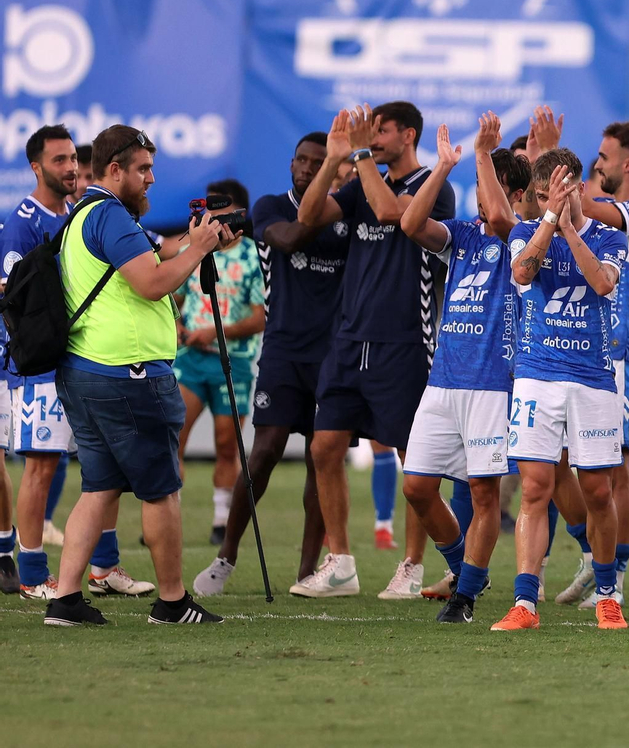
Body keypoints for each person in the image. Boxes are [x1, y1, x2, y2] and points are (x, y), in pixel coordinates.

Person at [46, 125, 227, 626]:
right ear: (114, 170)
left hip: (85, 370)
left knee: (98, 487)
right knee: (160, 488)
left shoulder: (86, 213)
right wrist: (199, 250)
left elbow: (154, 256)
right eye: (142, 169)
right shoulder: (112, 215)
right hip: (127, 375)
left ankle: (64, 600)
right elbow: (151, 283)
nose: (151, 178)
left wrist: (196, 241)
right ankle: (171, 602)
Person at [289, 102, 456, 599]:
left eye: (381, 130)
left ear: (408, 134)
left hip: (404, 340)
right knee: (323, 447)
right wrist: (333, 158)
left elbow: (390, 212)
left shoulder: (435, 185)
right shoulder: (362, 175)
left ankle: (412, 565)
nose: (373, 136)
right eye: (370, 131)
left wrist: (358, 153)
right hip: (349, 339)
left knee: (414, 460)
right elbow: (307, 215)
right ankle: (340, 563)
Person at [194, 133, 346, 597]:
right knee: (264, 451)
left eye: (317, 163)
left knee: (322, 459)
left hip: (334, 354)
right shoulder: (268, 207)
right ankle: (227, 556)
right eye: (299, 159)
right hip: (283, 350)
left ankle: (306, 572)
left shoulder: (346, 213)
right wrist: (323, 201)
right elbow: (293, 235)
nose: (304, 167)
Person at [2, 125, 150, 601]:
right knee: (41, 467)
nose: (71, 169)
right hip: (39, 365)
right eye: (61, 160)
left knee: (100, 465)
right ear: (36, 166)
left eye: (74, 160)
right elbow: (10, 294)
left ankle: (104, 569)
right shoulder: (24, 221)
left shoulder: (76, 213)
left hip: (79, 361)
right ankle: (29, 575)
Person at [495, 148, 629, 632]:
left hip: (592, 379)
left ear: (581, 186)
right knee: (535, 487)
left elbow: (601, 284)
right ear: (538, 193)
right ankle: (525, 603)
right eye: (554, 188)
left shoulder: (611, 238)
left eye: (571, 185)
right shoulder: (524, 234)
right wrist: (550, 220)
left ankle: (608, 593)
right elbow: (522, 274)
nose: (565, 194)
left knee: (597, 489)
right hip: (536, 376)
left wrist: (570, 226)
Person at [397, 114, 524, 624]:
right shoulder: (464, 235)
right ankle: (467, 568)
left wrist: (482, 156)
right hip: (445, 377)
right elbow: (408, 224)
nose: (477, 193)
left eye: (484, 182)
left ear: (512, 191)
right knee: (417, 486)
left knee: (484, 492)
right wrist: (444, 167)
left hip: (493, 384)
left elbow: (498, 217)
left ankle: (465, 597)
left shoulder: (523, 234)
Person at [559, 121, 629, 608]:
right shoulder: (604, 219)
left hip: (619, 356)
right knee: (558, 461)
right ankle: (593, 555)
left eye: (603, 156)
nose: (596, 164)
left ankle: (615, 577)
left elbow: (580, 206)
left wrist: (552, 164)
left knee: (617, 471)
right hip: (576, 351)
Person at [173, 179, 266, 547]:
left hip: (235, 361)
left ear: (238, 213)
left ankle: (220, 520)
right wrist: (179, 324)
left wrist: (215, 333)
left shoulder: (254, 256)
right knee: (172, 438)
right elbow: (173, 293)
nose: (212, 216)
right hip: (190, 360)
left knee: (227, 446)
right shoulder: (195, 249)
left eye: (220, 209)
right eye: (209, 209)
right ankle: (169, 515)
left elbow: (261, 317)